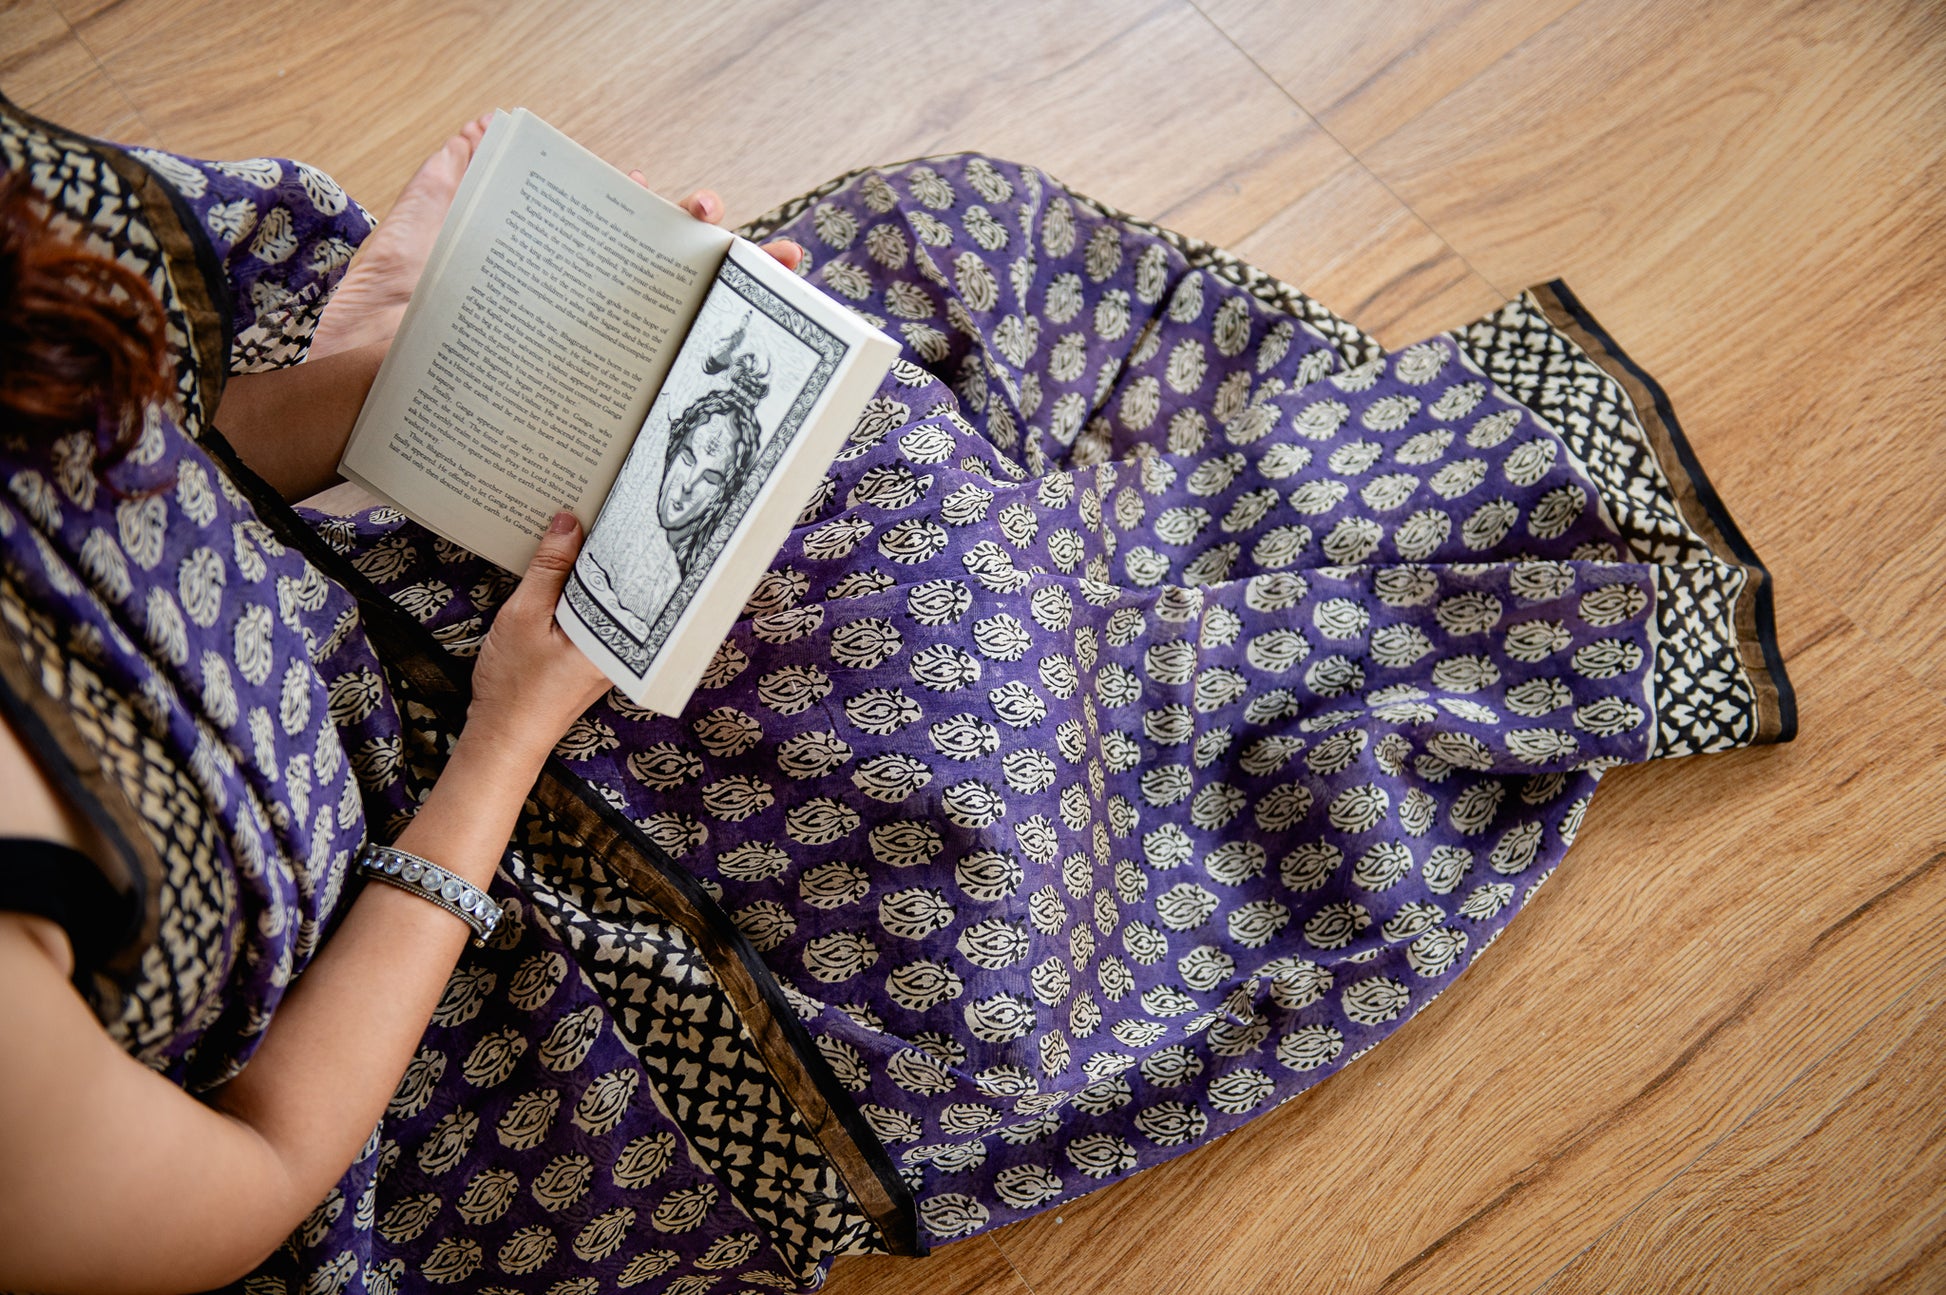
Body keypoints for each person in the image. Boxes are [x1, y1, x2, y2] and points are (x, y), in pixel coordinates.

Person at [0, 90, 1793, 1295]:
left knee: (907, 283)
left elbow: (143, 445)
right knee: (968, 839)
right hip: (383, 999)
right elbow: (254, 1185)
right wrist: (505, 743)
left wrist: (409, 384)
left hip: (300, 587)